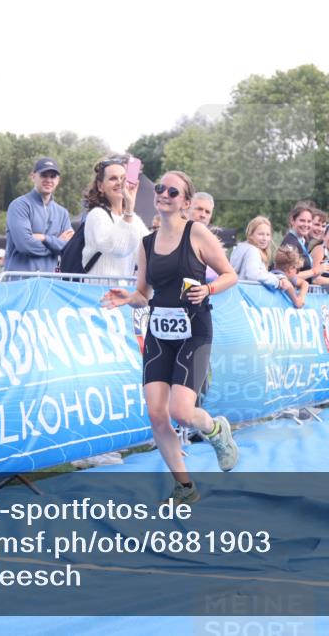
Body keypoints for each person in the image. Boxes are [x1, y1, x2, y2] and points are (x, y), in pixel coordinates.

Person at [101, 171, 239, 505]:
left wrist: (208, 289)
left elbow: (230, 275)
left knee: (182, 412)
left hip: (194, 331)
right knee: (156, 414)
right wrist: (127, 297)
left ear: (185, 202)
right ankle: (185, 486)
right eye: (160, 188)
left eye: (172, 191)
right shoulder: (146, 243)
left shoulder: (197, 233)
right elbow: (144, 294)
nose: (163, 193)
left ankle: (215, 429)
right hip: (159, 333)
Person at [82, 156, 150, 279]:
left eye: (123, 178)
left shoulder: (133, 218)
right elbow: (118, 248)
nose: (120, 183)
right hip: (99, 288)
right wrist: (129, 207)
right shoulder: (97, 215)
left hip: (124, 289)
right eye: (113, 178)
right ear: (100, 186)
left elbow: (148, 251)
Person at [4, 157, 74, 274]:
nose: (48, 180)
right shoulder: (19, 205)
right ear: (33, 176)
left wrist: (44, 238)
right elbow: (24, 245)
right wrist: (56, 245)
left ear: (58, 180)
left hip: (49, 282)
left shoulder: (62, 213)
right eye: (44, 175)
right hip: (21, 281)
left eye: (53, 176)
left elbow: (69, 247)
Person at [229, 216, 294, 295]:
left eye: (268, 235)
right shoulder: (253, 251)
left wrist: (278, 277)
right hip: (246, 295)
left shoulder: (240, 248)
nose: (265, 238)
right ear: (250, 234)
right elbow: (253, 274)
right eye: (260, 234)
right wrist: (277, 282)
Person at [280, 204, 317, 281]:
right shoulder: (290, 243)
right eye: (302, 220)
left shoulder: (303, 241)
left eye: (309, 221)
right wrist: (315, 271)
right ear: (292, 221)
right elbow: (287, 275)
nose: (306, 225)